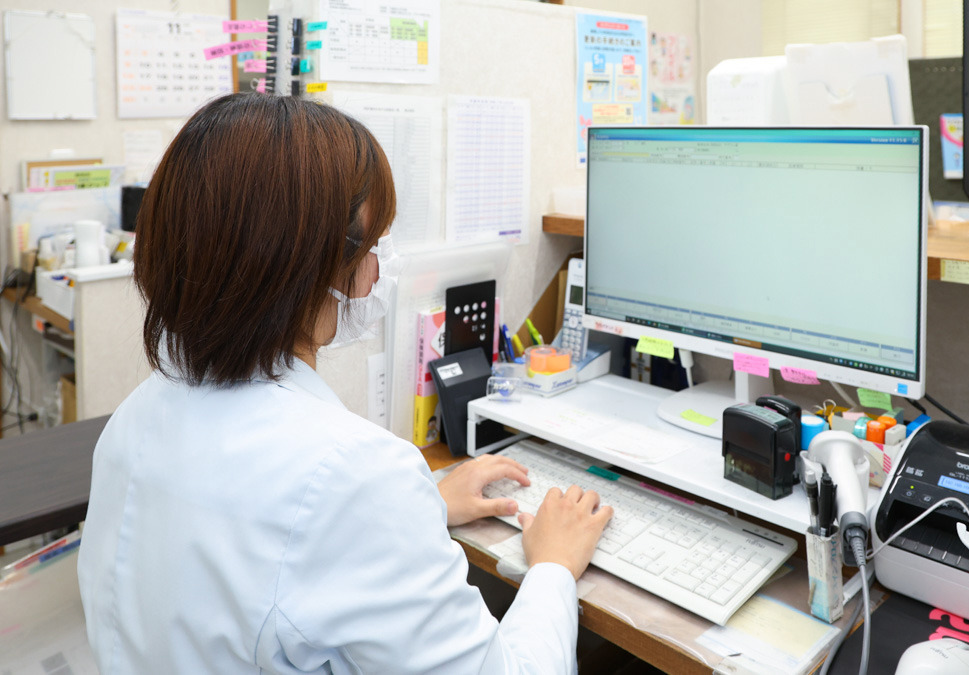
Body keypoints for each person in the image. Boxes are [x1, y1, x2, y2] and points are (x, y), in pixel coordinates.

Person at [77, 93, 613, 673]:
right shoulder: (353, 474)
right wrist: (554, 565)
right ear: (308, 264)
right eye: (373, 242)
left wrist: (419, 512)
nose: (379, 265)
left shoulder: (134, 417)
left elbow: (266, 552)